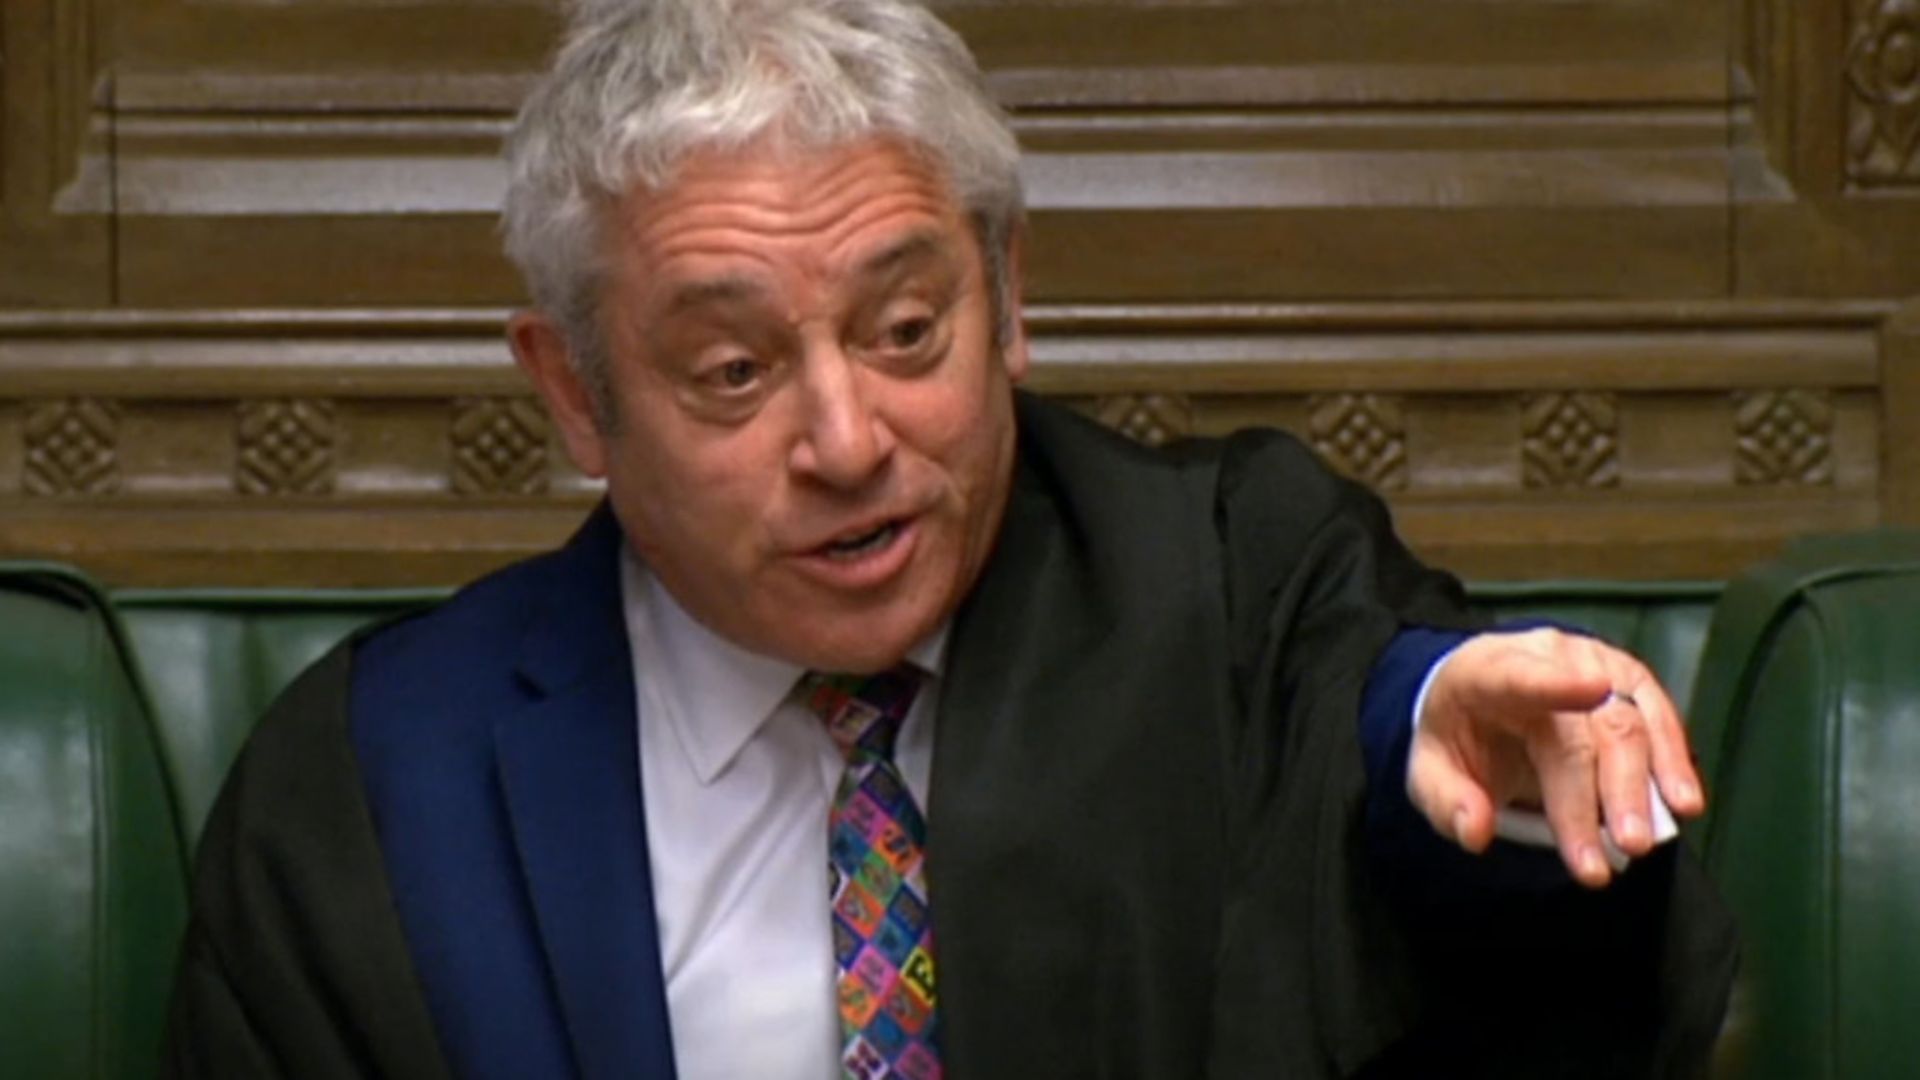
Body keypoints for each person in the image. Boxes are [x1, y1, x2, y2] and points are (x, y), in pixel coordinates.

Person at [164, 1, 1736, 1077]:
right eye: (734, 371)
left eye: (908, 329)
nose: (849, 442)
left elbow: (1389, 739)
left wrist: (1497, 801)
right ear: (574, 394)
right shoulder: (375, 790)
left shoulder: (1234, 579)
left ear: (1012, 298)